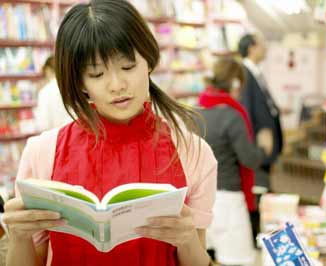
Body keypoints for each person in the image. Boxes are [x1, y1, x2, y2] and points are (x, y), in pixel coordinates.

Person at [3, 1, 217, 266]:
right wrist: (19, 236)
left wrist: (186, 239)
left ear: (148, 62)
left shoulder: (192, 152)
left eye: (128, 67)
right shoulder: (42, 152)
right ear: (80, 82)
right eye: (97, 73)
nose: (117, 85)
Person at [197, 58, 271, 266]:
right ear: (235, 84)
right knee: (239, 260)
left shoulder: (195, 113)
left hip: (200, 198)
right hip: (228, 199)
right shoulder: (232, 116)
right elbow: (249, 159)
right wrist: (264, 148)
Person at [238, 33, 284, 245]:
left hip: (265, 146)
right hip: (259, 147)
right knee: (259, 189)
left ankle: (261, 234)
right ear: (252, 48)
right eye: (262, 43)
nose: (265, 47)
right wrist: (256, 147)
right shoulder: (245, 73)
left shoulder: (255, 72)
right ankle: (258, 237)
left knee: (264, 188)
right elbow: (247, 111)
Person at [36, 55, 73, 131]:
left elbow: (43, 125)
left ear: (47, 70)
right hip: (73, 134)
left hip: (55, 138)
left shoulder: (45, 92)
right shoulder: (71, 86)